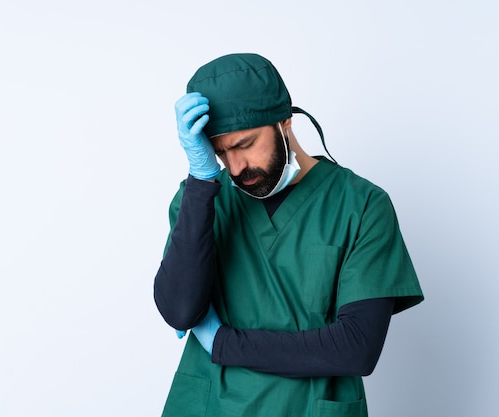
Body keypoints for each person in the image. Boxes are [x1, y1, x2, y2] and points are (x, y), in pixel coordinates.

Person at [153, 53, 424, 417]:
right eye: (219, 152)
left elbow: (356, 347)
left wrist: (223, 343)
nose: (235, 167)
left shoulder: (361, 205)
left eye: (244, 144)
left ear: (285, 121)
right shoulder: (202, 200)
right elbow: (181, 311)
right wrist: (201, 181)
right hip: (210, 405)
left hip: (308, 407)